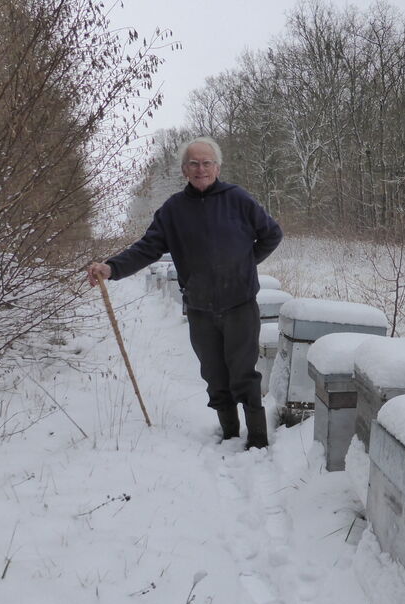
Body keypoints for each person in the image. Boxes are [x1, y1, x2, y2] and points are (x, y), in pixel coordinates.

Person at [87, 137, 283, 449]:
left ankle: (258, 440)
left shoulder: (238, 200)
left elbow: (272, 234)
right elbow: (147, 247)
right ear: (184, 169)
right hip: (200, 307)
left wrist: (245, 265)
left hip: (239, 304)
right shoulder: (173, 210)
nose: (201, 169)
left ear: (217, 167)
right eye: (194, 163)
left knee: (243, 372)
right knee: (214, 374)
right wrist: (112, 268)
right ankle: (230, 433)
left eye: (207, 163)